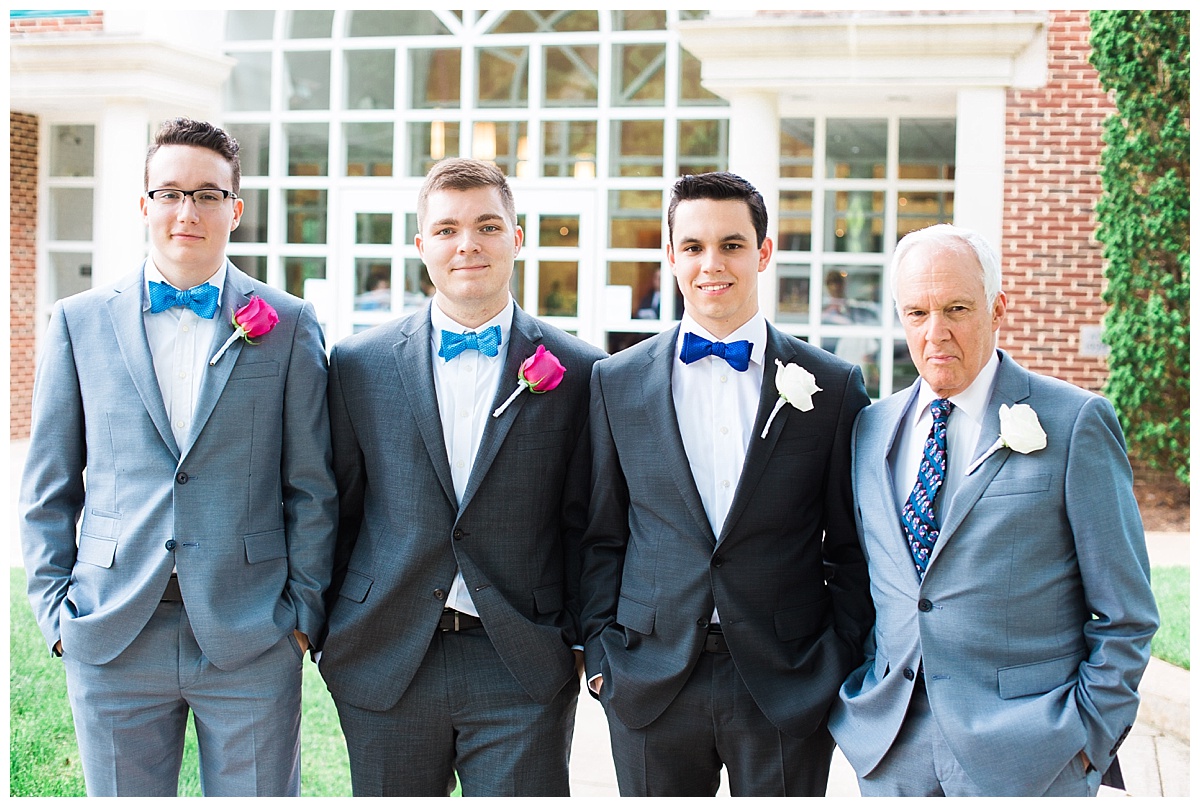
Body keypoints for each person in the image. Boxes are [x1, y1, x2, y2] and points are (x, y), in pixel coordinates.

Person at [20, 117, 337, 797]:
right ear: (144, 205)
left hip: (251, 633)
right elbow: (48, 486)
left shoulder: (289, 324)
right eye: (169, 193)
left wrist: (301, 618)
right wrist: (56, 614)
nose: (187, 211)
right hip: (112, 629)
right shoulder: (78, 322)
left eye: (207, 194)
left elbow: (312, 486)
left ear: (235, 209)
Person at [828, 224, 1159, 796]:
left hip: (1031, 756)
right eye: (917, 313)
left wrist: (1087, 742)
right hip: (890, 753)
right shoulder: (870, 428)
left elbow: (1126, 613)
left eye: (956, 309)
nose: (935, 333)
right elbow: (862, 584)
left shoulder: (1074, 422)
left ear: (997, 308)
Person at [318, 158, 606, 796]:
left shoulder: (581, 371)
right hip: (386, 654)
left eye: (487, 226)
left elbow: (587, 522)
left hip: (521, 660)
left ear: (517, 238)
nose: (467, 244)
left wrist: (581, 639)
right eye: (447, 230)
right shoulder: (358, 364)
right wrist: (330, 633)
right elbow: (336, 507)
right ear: (422, 245)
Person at [580, 172, 874, 796]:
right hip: (650, 680)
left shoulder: (833, 386)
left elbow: (851, 547)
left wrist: (835, 660)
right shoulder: (615, 382)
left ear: (763, 252)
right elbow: (601, 534)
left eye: (731, 245)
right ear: (671, 256)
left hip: (785, 681)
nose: (711, 263)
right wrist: (604, 659)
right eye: (693, 246)